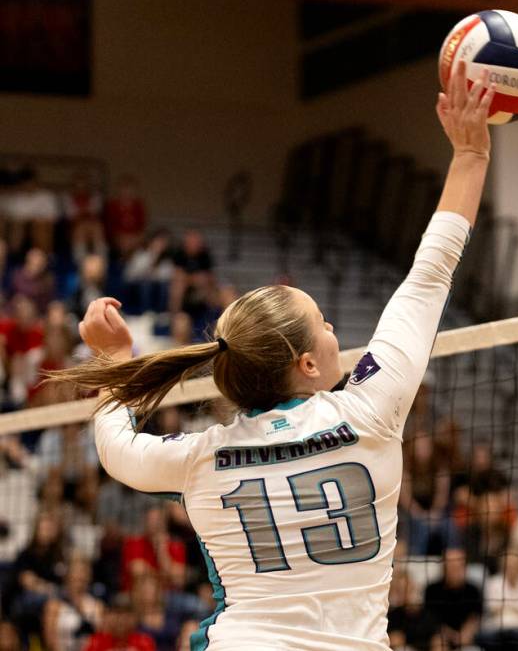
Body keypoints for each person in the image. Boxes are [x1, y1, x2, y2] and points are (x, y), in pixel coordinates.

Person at [51, 62, 495, 650]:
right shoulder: (371, 410)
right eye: (324, 323)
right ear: (307, 365)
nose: (335, 328)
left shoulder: (201, 457)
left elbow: (117, 450)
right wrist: (471, 158)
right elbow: (427, 275)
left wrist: (115, 362)